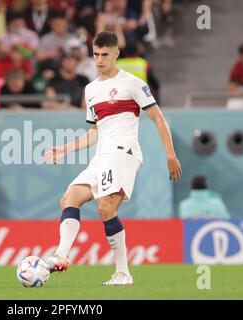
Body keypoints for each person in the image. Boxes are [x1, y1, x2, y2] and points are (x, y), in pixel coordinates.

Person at [42, 31, 182, 285]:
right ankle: (61, 256)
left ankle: (122, 273)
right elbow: (94, 133)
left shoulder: (133, 83)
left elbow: (158, 118)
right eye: (95, 54)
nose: (99, 60)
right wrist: (65, 149)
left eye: (105, 54)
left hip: (123, 151)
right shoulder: (91, 89)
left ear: (116, 54)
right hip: (101, 154)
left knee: (105, 207)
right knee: (69, 199)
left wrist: (170, 155)